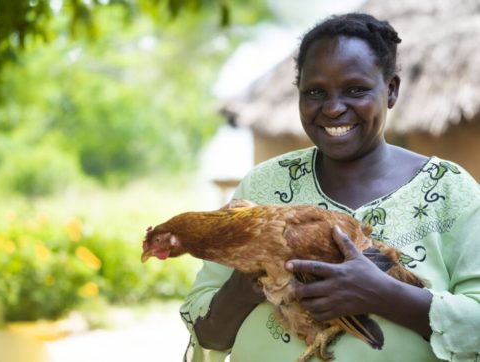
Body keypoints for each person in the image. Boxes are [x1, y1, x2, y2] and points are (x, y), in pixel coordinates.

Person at [179, 13, 480, 362]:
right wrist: (255, 277)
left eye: (356, 89)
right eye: (315, 92)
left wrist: (384, 294)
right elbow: (206, 332)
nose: (334, 108)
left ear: (392, 90)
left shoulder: (447, 190)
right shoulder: (262, 185)